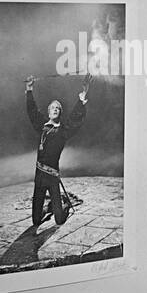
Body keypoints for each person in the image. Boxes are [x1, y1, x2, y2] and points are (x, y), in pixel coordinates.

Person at [25, 75, 89, 230]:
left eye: (57, 108)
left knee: (59, 220)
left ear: (60, 112)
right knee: (35, 221)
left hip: (53, 176)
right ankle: (48, 208)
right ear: (48, 112)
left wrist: (81, 100)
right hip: (39, 175)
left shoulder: (62, 130)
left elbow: (74, 119)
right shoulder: (42, 126)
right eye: (52, 107)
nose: (54, 109)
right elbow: (32, 111)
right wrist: (29, 90)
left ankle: (64, 205)